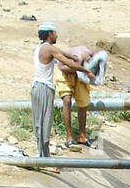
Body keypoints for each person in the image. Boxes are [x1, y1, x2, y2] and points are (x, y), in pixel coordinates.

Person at [30, 24, 88, 159]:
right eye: (55, 33)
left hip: (37, 87)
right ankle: (44, 158)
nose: (57, 35)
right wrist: (87, 70)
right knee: (45, 122)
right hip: (44, 88)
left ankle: (43, 155)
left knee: (39, 121)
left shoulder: (42, 47)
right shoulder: (49, 48)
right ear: (50, 34)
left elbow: (61, 52)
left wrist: (73, 56)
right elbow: (69, 64)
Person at [55, 43, 101, 147]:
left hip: (80, 77)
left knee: (83, 104)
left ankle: (82, 136)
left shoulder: (90, 55)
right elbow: (62, 67)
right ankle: (69, 137)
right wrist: (81, 69)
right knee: (67, 101)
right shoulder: (77, 56)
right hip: (65, 76)